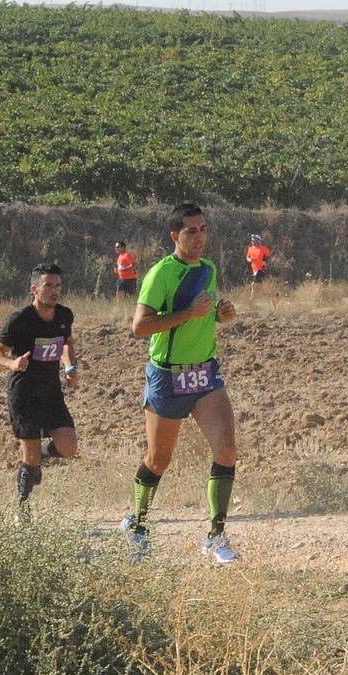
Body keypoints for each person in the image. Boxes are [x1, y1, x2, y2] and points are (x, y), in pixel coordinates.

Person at [121, 203, 241, 563]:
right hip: (168, 376)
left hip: (205, 374)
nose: (200, 237)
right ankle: (137, 525)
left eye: (203, 229)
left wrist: (221, 316)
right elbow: (140, 327)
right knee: (159, 459)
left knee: (227, 451)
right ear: (175, 235)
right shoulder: (160, 274)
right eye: (191, 230)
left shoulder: (209, 269)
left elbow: (206, 315)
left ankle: (216, 536)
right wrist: (189, 314)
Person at [0, 262, 80, 505]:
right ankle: (22, 508)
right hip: (23, 394)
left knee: (69, 447)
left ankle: (39, 457)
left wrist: (70, 367)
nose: (54, 290)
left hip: (51, 392)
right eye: (48, 285)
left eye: (58, 285)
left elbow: (66, 342)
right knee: (30, 457)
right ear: (34, 289)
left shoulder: (64, 315)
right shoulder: (20, 319)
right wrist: (12, 364)